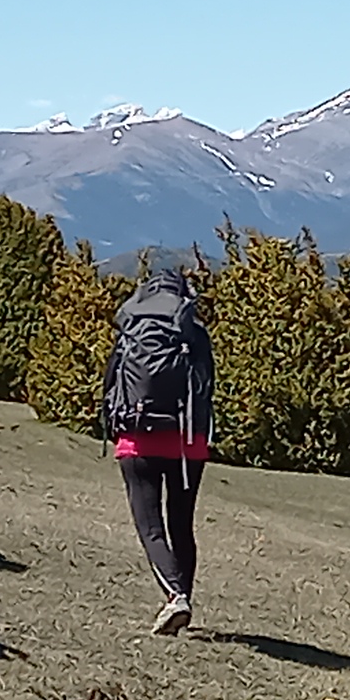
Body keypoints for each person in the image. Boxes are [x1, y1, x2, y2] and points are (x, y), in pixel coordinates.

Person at [101, 262, 216, 636]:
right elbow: (207, 385)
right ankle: (181, 599)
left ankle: (175, 597)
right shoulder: (194, 331)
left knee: (150, 527)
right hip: (187, 443)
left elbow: (112, 379)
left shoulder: (132, 326)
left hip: (138, 439)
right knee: (181, 525)